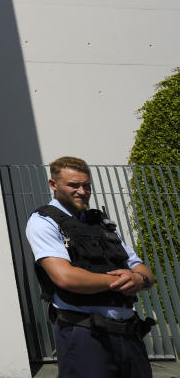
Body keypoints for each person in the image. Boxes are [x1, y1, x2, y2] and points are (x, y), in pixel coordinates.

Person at [25, 156, 156, 378]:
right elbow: (65, 278)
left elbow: (145, 273)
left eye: (87, 186)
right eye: (73, 185)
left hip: (130, 336)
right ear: (53, 185)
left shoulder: (101, 223)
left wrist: (138, 280)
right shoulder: (43, 221)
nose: (82, 191)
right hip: (85, 336)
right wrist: (120, 282)